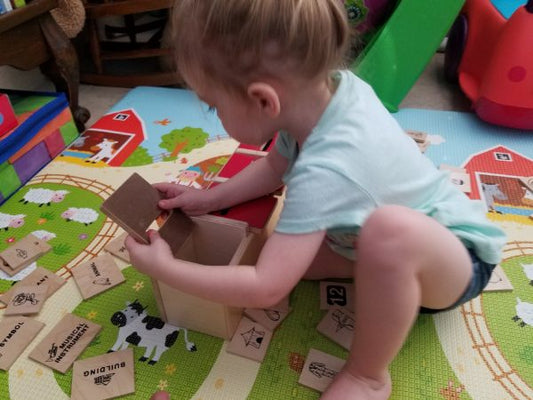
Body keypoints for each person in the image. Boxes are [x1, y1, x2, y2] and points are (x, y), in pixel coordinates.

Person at [126, 1, 506, 399]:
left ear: (263, 101)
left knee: (384, 232)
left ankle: (367, 375)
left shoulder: (326, 168)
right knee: (284, 255)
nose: (214, 115)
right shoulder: (318, 94)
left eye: (213, 104)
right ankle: (375, 264)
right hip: (373, 243)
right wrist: (208, 198)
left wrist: (167, 271)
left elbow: (265, 288)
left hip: (456, 262)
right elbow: (275, 166)